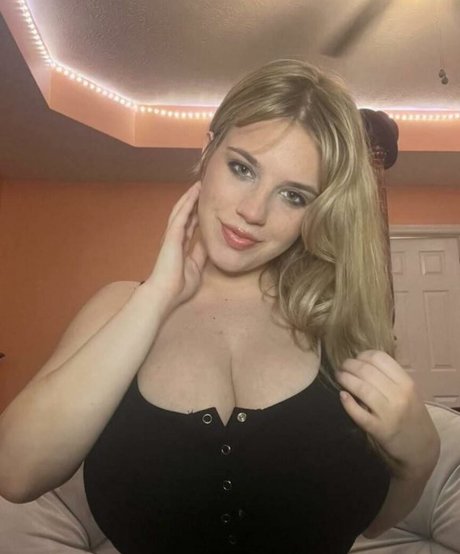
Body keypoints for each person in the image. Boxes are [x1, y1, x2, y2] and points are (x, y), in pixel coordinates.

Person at [0, 59, 440, 553]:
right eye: (242, 168)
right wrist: (158, 296)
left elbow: (373, 523)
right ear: (208, 150)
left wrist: (420, 459)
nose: (253, 212)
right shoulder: (121, 307)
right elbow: (17, 474)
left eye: (293, 196)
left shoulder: (337, 324)